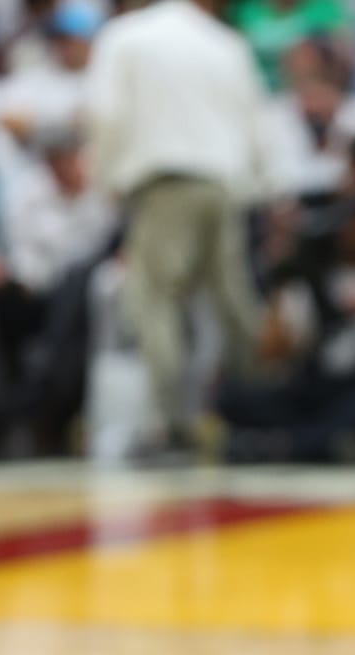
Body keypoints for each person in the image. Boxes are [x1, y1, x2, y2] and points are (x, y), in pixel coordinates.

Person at [83, 0, 276, 452]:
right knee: (231, 299)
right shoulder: (226, 43)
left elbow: (105, 114)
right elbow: (257, 121)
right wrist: (258, 186)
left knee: (153, 298)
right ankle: (259, 412)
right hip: (225, 183)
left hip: (164, 181)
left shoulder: (127, 35)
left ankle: (171, 426)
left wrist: (107, 180)